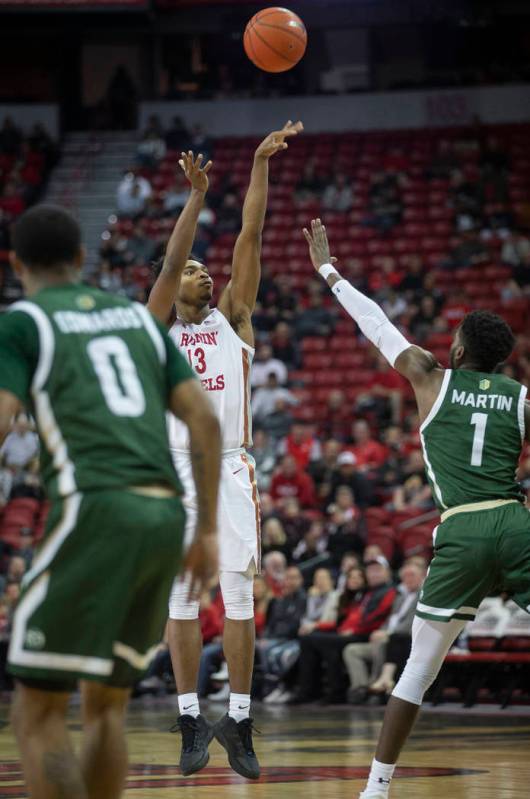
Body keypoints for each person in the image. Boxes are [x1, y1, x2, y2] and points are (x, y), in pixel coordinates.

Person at [302, 217, 530, 799]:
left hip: (462, 530)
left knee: (418, 670)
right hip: (514, 521)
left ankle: (376, 789)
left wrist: (328, 270)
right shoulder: (521, 397)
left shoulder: (430, 376)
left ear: (457, 347)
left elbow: (377, 324)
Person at [0, 204, 220, 799]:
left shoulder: (23, 322)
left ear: (16, 264)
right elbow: (204, 419)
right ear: (80, 259)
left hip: (96, 507)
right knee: (104, 709)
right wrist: (206, 532)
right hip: (166, 518)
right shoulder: (134, 319)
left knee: (37, 713)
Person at [147, 121, 303, 780]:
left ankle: (238, 717)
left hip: (232, 465)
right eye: (189, 267)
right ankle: (189, 717)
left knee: (240, 591)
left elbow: (250, 236)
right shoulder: (156, 324)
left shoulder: (235, 314)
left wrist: (260, 165)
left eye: (200, 266)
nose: (197, 268)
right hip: (175, 466)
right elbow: (167, 261)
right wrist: (195, 197)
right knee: (181, 599)